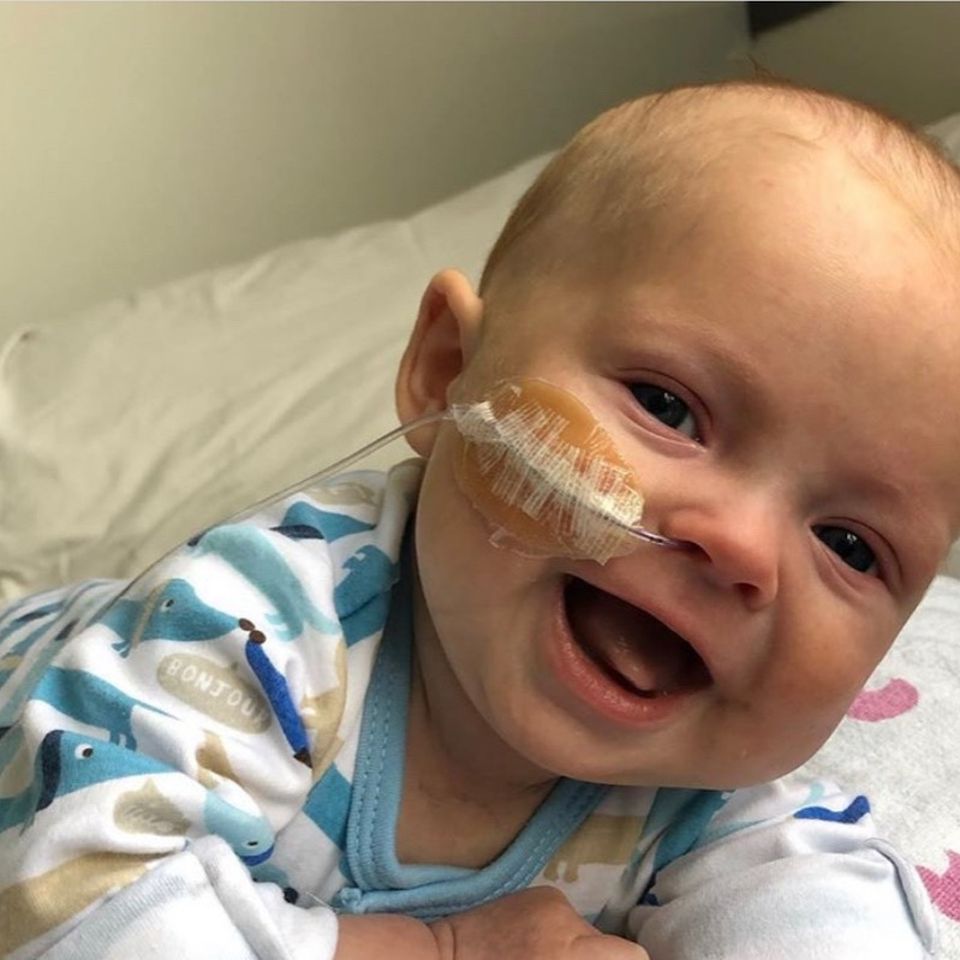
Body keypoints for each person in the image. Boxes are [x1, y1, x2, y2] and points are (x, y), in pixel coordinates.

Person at [1, 78, 957, 960]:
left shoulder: (711, 790)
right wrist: (446, 951)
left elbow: (824, 918)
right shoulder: (255, 630)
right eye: (667, 408)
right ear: (449, 371)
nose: (743, 547)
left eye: (850, 546)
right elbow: (71, 907)